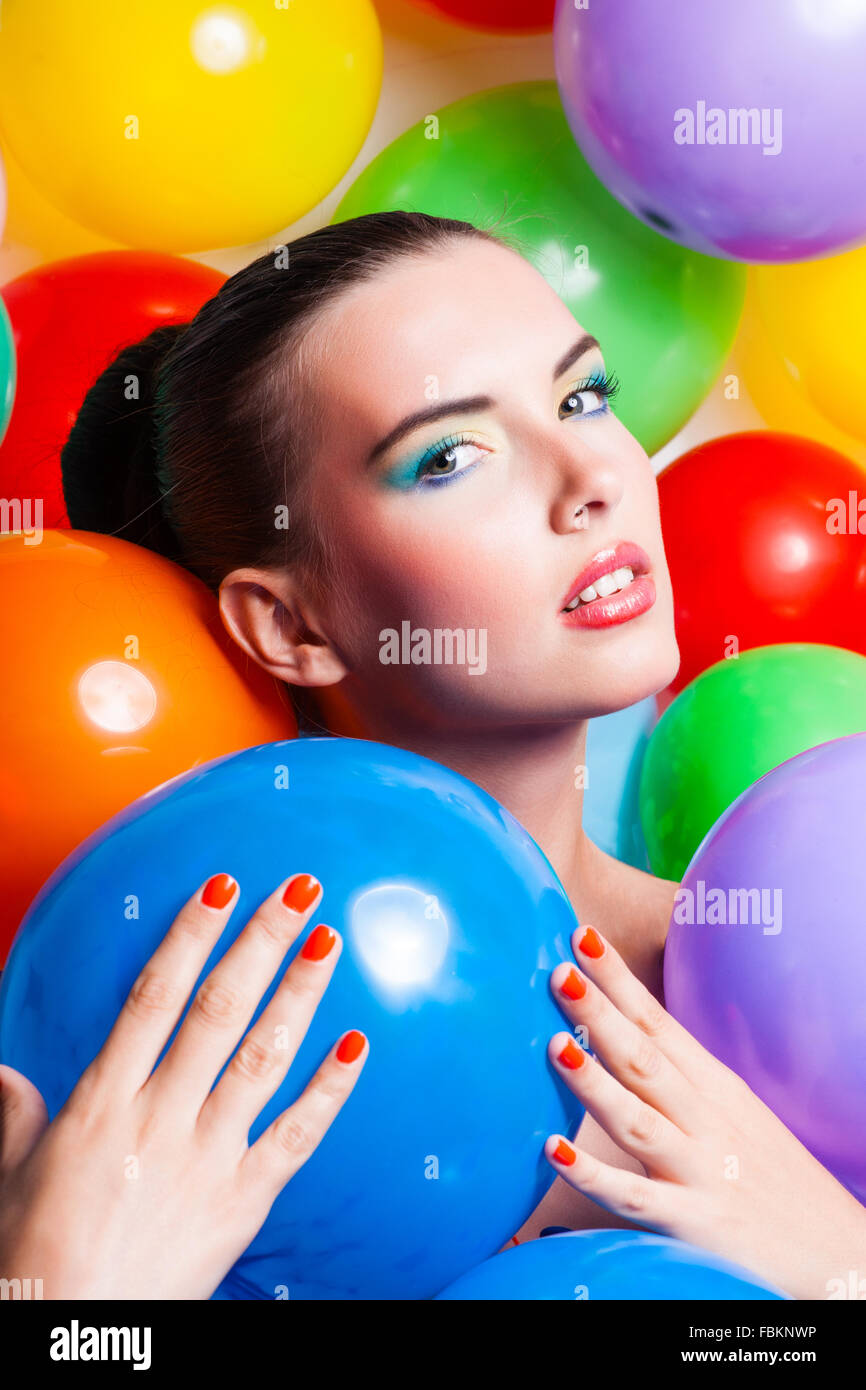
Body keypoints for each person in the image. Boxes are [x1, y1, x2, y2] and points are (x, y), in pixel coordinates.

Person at [2, 210, 863, 1300]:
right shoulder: (136, 1069)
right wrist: (64, 1302)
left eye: (580, 397)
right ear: (290, 626)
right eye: (451, 455)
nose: (588, 476)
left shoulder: (814, 970)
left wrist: (840, 1268)